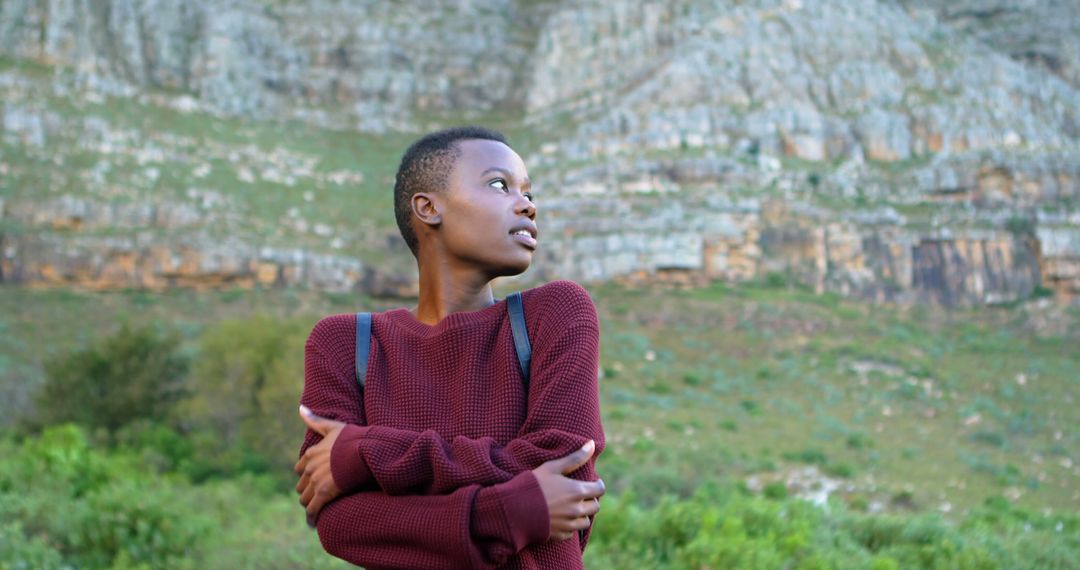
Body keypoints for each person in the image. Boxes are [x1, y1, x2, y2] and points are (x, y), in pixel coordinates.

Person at [294, 126, 605, 569]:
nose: (528, 205)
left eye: (529, 192)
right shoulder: (346, 344)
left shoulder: (555, 314)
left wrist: (364, 452)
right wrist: (509, 511)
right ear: (429, 207)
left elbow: (567, 469)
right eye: (500, 185)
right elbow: (340, 522)